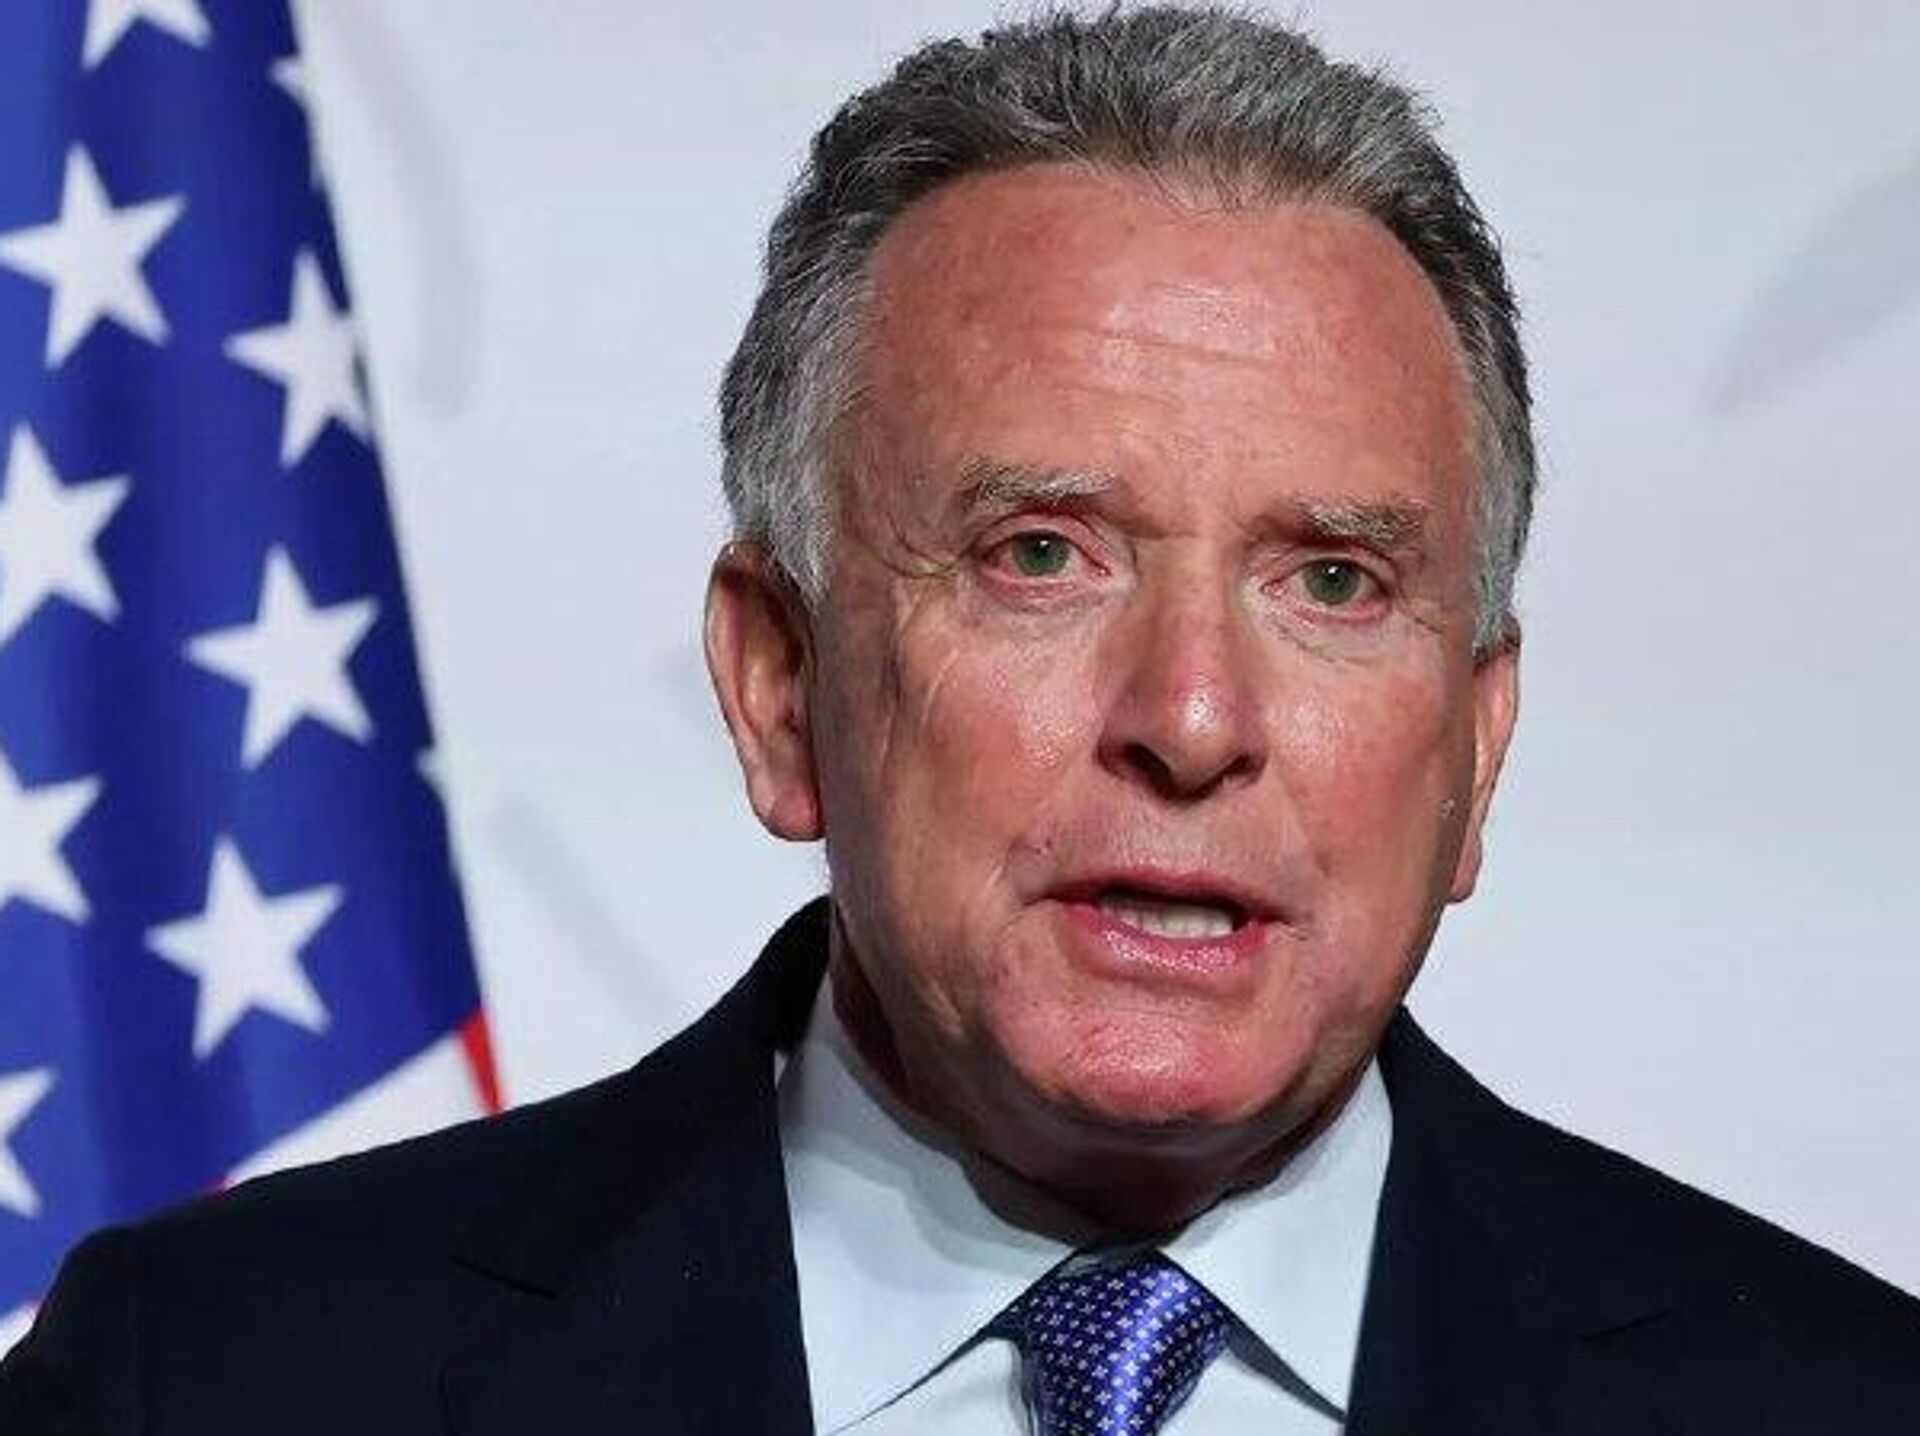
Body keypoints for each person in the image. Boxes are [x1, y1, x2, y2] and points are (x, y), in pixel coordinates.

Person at [5, 6, 1917, 1433]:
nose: (1192, 719)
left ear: (1477, 751)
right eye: (1042, 555)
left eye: (1333, 581)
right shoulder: (222, 1379)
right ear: (778, 685)